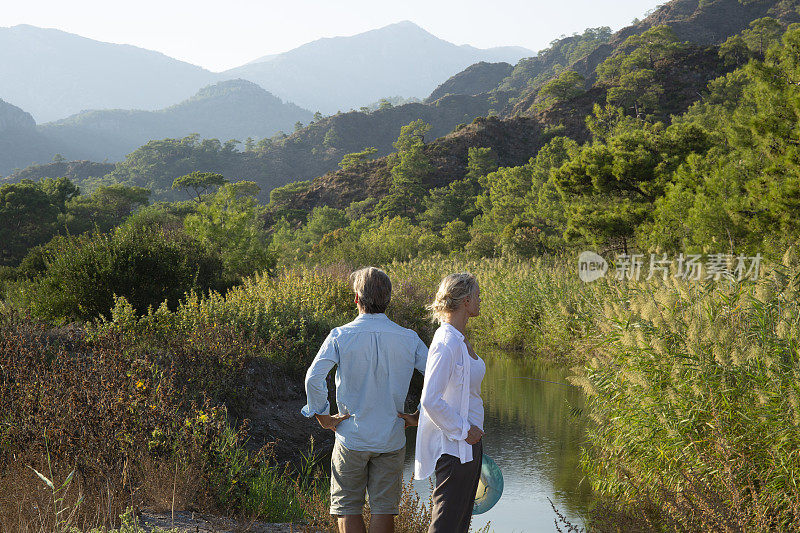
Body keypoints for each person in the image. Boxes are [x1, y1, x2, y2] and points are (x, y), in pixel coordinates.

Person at [301, 267, 428, 533]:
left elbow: (314, 378)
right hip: (391, 437)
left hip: (351, 437)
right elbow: (439, 377)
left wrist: (323, 416)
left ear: (356, 298)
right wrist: (419, 415)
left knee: (348, 508)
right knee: (384, 509)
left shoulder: (340, 335)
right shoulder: (409, 338)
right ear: (388, 299)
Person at [414, 272, 486, 533]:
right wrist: (466, 430)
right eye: (478, 296)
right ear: (466, 301)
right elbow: (430, 399)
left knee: (458, 525)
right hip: (455, 447)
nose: (481, 300)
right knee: (445, 525)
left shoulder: (458, 338)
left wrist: (471, 434)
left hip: (468, 445)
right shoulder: (446, 342)